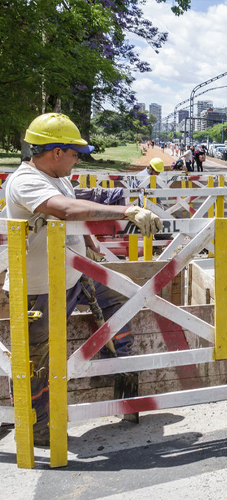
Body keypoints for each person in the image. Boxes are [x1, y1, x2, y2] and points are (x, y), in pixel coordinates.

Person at [5, 113, 162, 446]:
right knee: (37, 360)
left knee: (122, 302)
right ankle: (38, 429)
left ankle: (114, 372)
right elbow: (62, 210)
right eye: (75, 152)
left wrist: (89, 242)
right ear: (56, 151)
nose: (79, 158)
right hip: (40, 288)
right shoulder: (26, 181)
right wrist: (126, 211)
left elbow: (72, 210)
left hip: (75, 274)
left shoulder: (57, 176)